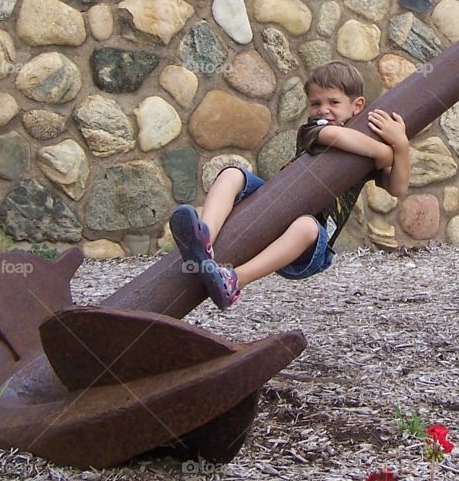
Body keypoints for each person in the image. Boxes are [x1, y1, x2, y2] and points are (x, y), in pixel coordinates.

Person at [168, 61, 410, 308]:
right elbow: (335, 136)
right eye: (316, 103)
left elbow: (397, 187)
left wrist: (400, 146)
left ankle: (234, 281)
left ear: (357, 106)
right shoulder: (314, 129)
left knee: (307, 226)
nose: (323, 110)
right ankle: (204, 237)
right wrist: (386, 152)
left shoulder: (363, 158)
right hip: (276, 206)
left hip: (310, 243)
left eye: (333, 103)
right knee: (232, 174)